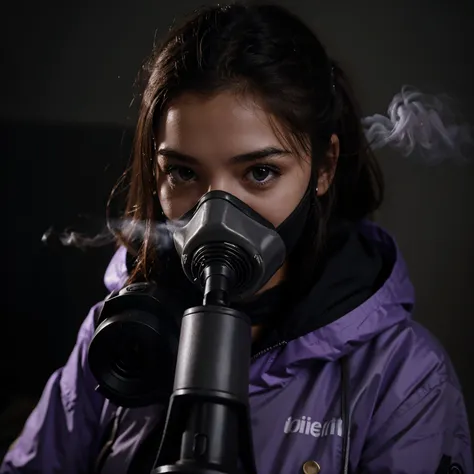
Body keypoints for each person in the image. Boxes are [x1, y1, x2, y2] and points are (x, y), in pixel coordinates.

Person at [2, 2, 472, 473]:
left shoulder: (403, 378)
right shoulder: (114, 336)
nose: (216, 216)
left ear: (324, 167)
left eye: (261, 172)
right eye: (184, 172)